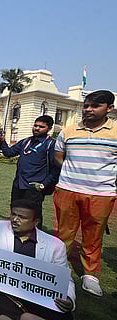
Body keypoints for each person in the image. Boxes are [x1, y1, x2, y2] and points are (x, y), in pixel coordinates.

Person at [53, 90, 117, 297]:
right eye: (86, 105)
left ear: (109, 108)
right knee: (64, 233)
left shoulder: (115, 131)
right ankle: (57, 267)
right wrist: (76, 173)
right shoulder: (69, 131)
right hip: (68, 189)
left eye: (95, 106)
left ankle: (90, 275)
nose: (88, 109)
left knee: (93, 235)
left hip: (101, 193)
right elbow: (59, 157)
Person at [0, 199, 75, 320]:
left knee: (65, 315)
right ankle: (22, 317)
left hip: (36, 294)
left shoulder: (56, 246)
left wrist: (69, 298)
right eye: (13, 214)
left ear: (35, 221)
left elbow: (65, 279)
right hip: (5, 287)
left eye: (22, 217)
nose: (15, 220)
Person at [0, 115, 58, 228]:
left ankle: (35, 240)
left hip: (34, 188)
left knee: (33, 216)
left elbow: (55, 169)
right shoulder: (26, 141)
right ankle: (14, 238)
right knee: (15, 212)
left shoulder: (50, 144)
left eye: (41, 127)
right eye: (35, 125)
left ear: (49, 128)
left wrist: (43, 185)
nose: (37, 128)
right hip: (18, 185)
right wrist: (2, 139)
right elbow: (9, 153)